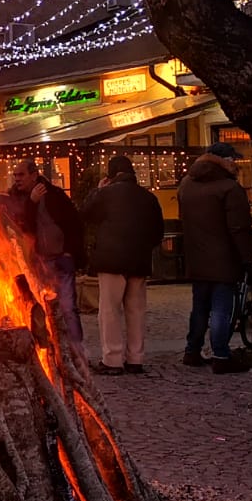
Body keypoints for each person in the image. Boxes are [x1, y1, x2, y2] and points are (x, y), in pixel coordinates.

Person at [82, 155, 166, 374]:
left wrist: (97, 191)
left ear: (111, 174)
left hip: (111, 259)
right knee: (136, 310)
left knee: (109, 310)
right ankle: (135, 358)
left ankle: (112, 359)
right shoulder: (148, 197)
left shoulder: (107, 194)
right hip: (138, 259)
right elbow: (158, 231)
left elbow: (86, 213)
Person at [178, 141, 252, 374]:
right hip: (224, 258)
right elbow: (238, 227)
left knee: (199, 306)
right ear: (225, 161)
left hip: (196, 256)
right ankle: (221, 354)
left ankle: (192, 350)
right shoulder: (229, 188)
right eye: (232, 159)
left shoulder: (186, 184)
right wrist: (247, 259)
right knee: (222, 308)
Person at [0, 161, 86, 341]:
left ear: (34, 175)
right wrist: (32, 202)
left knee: (68, 307)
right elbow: (23, 228)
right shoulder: (16, 199)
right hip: (38, 262)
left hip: (61, 259)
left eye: (21, 175)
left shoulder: (55, 195)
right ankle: (54, 348)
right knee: (43, 309)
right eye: (15, 175)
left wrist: (70, 253)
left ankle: (77, 350)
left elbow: (74, 225)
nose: (17, 179)